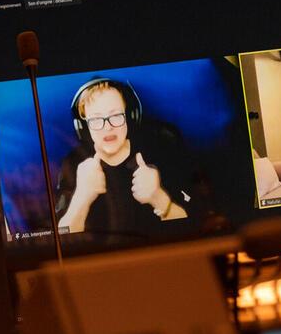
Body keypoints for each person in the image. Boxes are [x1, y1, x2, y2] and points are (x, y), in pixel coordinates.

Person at [55, 78, 190, 235]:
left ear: (129, 116)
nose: (108, 127)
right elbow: (61, 236)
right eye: (96, 119)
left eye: (116, 116)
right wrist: (82, 198)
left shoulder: (160, 151)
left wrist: (158, 197)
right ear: (83, 127)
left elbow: (195, 223)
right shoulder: (73, 163)